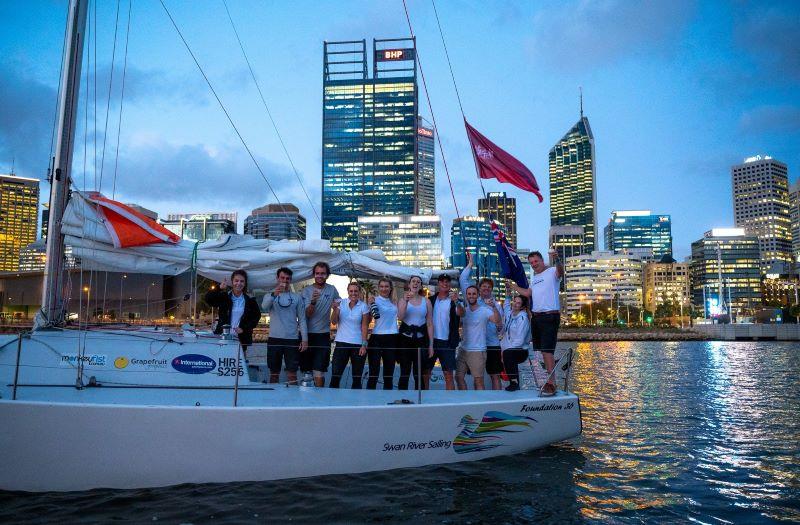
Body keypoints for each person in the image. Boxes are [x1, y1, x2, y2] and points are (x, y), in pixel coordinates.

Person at [509, 249, 563, 396]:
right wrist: (514, 286)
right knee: (543, 351)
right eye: (531, 262)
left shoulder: (552, 271)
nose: (533, 264)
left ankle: (552, 384)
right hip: (537, 317)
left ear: (542, 260)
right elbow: (528, 293)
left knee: (547, 350)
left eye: (536, 261)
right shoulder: (535, 277)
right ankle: (549, 379)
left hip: (549, 316)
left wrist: (557, 259)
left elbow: (561, 271)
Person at [459, 252, 504, 390]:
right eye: (483, 286)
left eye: (489, 287)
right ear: (479, 289)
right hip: (475, 346)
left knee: (494, 375)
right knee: (476, 377)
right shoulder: (473, 300)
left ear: (492, 289)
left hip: (492, 344)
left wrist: (495, 314)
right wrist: (470, 264)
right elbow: (463, 280)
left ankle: (496, 400)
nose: (486, 289)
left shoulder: (496, 305)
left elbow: (500, 326)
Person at [261, 267, 308, 385]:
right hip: (274, 339)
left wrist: (305, 340)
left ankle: (293, 400)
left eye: (287, 279)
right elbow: (264, 307)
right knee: (274, 373)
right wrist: (274, 295)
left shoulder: (297, 297)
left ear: (290, 280)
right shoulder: (269, 295)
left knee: (292, 373)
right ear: (277, 278)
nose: (285, 281)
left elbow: (302, 319)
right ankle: (272, 400)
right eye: (282, 278)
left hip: (292, 340)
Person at [205, 269, 262, 362]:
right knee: (221, 363)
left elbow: (256, 316)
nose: (239, 283)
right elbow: (208, 299)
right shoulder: (224, 296)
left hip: (241, 339)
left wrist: (244, 328)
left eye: (242, 281)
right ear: (232, 282)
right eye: (236, 281)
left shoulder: (250, 300)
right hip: (223, 337)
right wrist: (219, 288)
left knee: (239, 366)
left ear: (245, 283)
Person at [302, 262, 340, 387]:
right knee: (306, 373)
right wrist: (313, 302)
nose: (320, 276)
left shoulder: (332, 289)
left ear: (327, 275)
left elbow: (337, 313)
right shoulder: (307, 291)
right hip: (306, 335)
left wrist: (336, 309)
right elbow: (307, 314)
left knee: (319, 372)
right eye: (317, 273)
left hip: (323, 336)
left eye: (323, 273)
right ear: (313, 274)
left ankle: (320, 399)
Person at [456, 285, 501, 390]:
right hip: (463, 349)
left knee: (478, 381)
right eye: (469, 294)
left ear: (478, 295)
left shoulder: (485, 310)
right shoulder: (464, 310)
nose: (471, 296)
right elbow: (459, 317)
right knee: (458, 377)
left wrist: (494, 307)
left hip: (478, 351)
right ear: (466, 295)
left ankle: (479, 405)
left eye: (474, 294)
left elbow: (497, 321)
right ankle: (466, 403)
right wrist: (457, 302)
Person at [396, 275, 434, 390]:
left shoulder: (426, 301)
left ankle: (420, 401)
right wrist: (406, 301)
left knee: (419, 373)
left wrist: (431, 345)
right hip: (405, 340)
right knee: (405, 372)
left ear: (421, 285)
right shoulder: (402, 300)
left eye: (418, 282)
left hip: (421, 340)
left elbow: (429, 323)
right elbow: (400, 317)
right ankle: (402, 399)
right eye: (413, 281)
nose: (415, 283)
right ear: (409, 284)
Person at [330, 281, 369, 389]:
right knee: (335, 376)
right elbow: (333, 321)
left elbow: (364, 326)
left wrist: (364, 344)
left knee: (357, 378)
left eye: (356, 291)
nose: (353, 293)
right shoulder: (341, 303)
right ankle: (332, 402)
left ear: (359, 292)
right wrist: (334, 309)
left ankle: (355, 403)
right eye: (351, 291)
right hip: (341, 343)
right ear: (347, 291)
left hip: (357, 345)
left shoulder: (364, 306)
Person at [428, 274, 463, 390]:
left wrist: (457, 301)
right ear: (438, 284)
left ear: (450, 284)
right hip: (431, 342)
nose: (445, 283)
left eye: (447, 281)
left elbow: (461, 313)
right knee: (426, 373)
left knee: (448, 375)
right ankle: (424, 401)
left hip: (448, 343)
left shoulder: (455, 301)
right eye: (442, 281)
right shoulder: (431, 300)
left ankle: (451, 403)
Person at [366, 278, 399, 390]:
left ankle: (387, 400)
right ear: (378, 288)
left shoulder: (395, 302)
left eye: (386, 286)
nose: (384, 289)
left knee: (388, 374)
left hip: (393, 337)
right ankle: (370, 401)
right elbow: (367, 320)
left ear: (390, 288)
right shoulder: (373, 300)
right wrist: (370, 305)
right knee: (373, 372)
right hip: (376, 337)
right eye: (382, 286)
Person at [500, 294, 532, 392]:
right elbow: (505, 306)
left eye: (518, 303)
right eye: (514, 301)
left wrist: (505, 350)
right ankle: (501, 383)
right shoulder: (510, 314)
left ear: (522, 307)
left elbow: (520, 340)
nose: (515, 304)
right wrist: (508, 294)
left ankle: (514, 383)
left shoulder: (523, 319)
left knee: (508, 354)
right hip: (509, 349)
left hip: (521, 351)